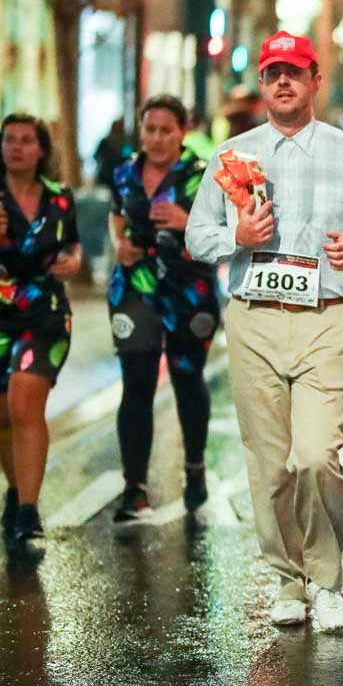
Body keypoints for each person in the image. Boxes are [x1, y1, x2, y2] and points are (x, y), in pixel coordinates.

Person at [186, 31, 343, 631]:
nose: (284, 82)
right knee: (269, 463)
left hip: (327, 321)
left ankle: (326, 581)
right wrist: (239, 239)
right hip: (254, 319)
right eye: (273, 72)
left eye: (295, 72)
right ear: (262, 83)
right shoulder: (233, 157)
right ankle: (288, 580)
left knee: (315, 455)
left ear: (314, 82)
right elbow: (196, 235)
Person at [108, 95, 221, 521]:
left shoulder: (205, 175)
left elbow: (230, 230)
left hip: (189, 290)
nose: (156, 138)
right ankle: (134, 487)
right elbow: (117, 215)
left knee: (187, 380)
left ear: (183, 131)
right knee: (136, 382)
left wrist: (185, 220)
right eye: (149, 129)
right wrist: (119, 246)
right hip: (134, 286)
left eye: (165, 130)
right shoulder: (125, 171)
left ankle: (194, 467)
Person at [0, 114, 82, 544]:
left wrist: (75, 261)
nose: (16, 147)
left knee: (24, 400)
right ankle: (14, 494)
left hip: (45, 312)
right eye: (9, 139)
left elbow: (73, 247)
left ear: (40, 149)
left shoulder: (59, 198)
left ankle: (29, 510)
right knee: (3, 413)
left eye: (26, 140)